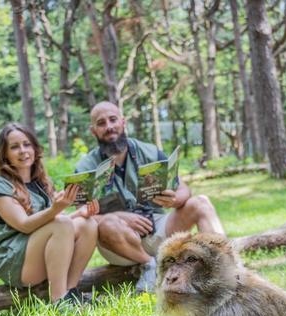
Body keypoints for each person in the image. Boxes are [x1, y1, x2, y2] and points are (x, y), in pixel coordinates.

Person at [74, 101, 225, 292]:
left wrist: (175, 199)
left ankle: (226, 268)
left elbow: (184, 188)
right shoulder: (86, 167)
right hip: (119, 244)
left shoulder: (149, 151)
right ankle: (149, 266)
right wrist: (118, 217)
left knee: (201, 203)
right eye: (101, 123)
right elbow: (80, 217)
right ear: (93, 130)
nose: (109, 127)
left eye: (113, 119)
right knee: (106, 223)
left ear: (123, 121)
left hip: (158, 229)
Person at [0, 123, 98, 306]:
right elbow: (24, 225)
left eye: (27, 144)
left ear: (35, 148)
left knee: (88, 224)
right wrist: (55, 209)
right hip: (14, 262)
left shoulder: (41, 182)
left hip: (36, 250)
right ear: (4, 154)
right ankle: (58, 301)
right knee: (62, 224)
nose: (22, 151)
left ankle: (71, 292)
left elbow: (54, 222)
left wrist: (80, 213)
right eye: (14, 147)